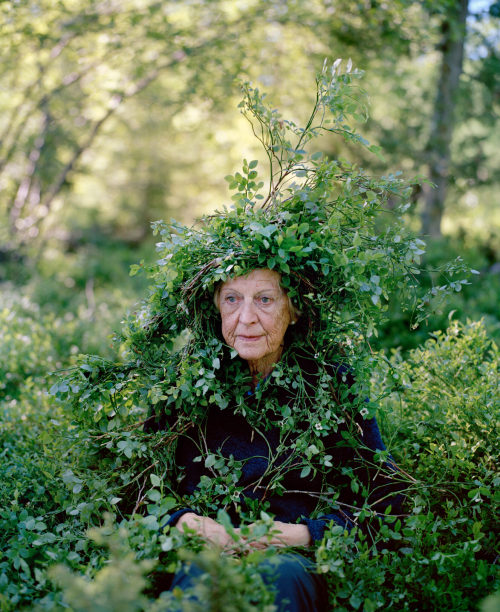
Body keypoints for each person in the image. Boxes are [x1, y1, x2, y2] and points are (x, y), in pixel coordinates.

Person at [146, 268, 404, 611]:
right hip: (204, 554)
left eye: (265, 300)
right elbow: (140, 486)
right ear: (216, 307)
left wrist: (303, 534)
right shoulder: (186, 383)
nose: (246, 318)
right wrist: (185, 521)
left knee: (279, 575)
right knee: (197, 577)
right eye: (232, 300)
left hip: (291, 559)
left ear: (293, 310)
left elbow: (384, 497)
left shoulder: (332, 382)